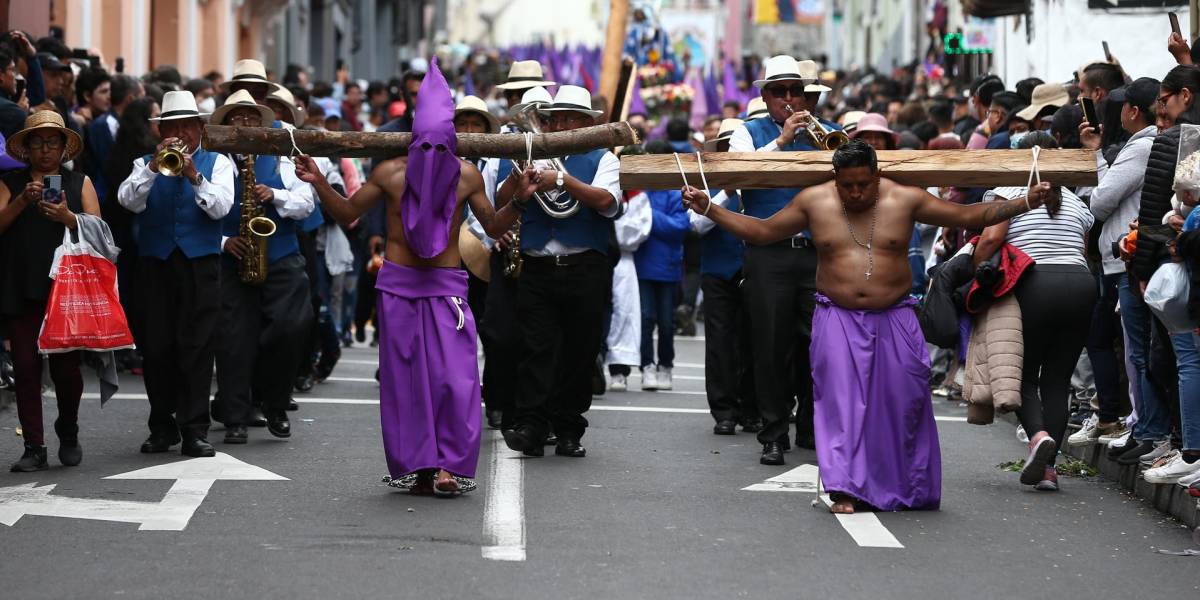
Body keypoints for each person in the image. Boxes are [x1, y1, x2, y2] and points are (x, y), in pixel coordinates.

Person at [681, 139, 1059, 513]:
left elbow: (970, 217)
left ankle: (909, 488)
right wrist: (710, 208)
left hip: (895, 316)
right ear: (835, 178)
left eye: (864, 183)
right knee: (840, 404)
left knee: (907, 400)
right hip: (836, 317)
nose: (856, 192)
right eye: (847, 185)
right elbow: (762, 232)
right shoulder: (814, 201)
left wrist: (1026, 201)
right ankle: (844, 489)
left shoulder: (905, 198)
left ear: (877, 175)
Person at [293, 61, 523, 495]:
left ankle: (449, 466)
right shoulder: (391, 173)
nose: (435, 152)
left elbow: (494, 228)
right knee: (406, 380)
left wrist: (521, 201)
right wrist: (317, 182)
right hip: (399, 288)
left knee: (456, 379)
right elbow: (348, 214)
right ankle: (420, 464)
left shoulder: (467, 176)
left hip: (447, 291)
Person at [494, 85, 622, 459]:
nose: (561, 124)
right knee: (536, 349)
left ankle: (569, 428)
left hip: (586, 266)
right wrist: (520, 183)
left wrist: (562, 181)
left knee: (580, 351)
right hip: (538, 265)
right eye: (555, 118)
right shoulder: (529, 153)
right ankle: (532, 426)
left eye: (570, 118)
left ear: (586, 124)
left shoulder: (604, 158)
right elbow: (502, 201)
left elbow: (608, 203)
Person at [728, 55, 837, 464]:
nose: (790, 99)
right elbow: (738, 176)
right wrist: (782, 142)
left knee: (821, 346)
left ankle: (811, 425)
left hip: (818, 254)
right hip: (768, 255)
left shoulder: (829, 133)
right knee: (770, 347)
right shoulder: (746, 132)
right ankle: (773, 433)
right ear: (765, 95)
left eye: (797, 92)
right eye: (780, 92)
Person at [975, 132, 1097, 491]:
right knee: (1057, 379)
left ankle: (1038, 437)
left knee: (1023, 375)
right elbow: (1083, 248)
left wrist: (977, 275)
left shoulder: (1010, 193)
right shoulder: (1076, 202)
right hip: (1081, 283)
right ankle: (1048, 468)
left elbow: (991, 239)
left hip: (1035, 282)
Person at [117, 90, 236, 458]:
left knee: (198, 347)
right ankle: (161, 426)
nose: (181, 133)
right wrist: (154, 168)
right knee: (156, 347)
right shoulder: (143, 163)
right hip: (155, 263)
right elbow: (128, 201)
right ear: (161, 131)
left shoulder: (217, 163)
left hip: (200, 263)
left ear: (201, 129)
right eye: (173, 126)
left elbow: (220, 208)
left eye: (188, 126)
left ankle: (195, 429)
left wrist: (193, 174)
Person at [210, 90, 314, 444]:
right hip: (233, 255)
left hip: (281, 253)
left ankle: (275, 402)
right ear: (225, 125)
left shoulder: (283, 154)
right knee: (233, 339)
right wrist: (224, 242)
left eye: (252, 118)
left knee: (290, 328)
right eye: (237, 118)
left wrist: (276, 195)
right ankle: (235, 416)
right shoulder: (215, 158)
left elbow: (305, 204)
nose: (245, 124)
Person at [0, 111, 99, 470]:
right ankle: (34, 446)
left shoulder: (80, 182)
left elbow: (100, 232)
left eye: (52, 142)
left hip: (66, 288)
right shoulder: (11, 182)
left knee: (67, 371)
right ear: (26, 149)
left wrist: (68, 218)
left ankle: (68, 429)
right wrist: (23, 201)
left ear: (63, 147)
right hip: (21, 285)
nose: (45, 149)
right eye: (37, 142)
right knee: (25, 367)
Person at [1070, 78, 1158, 449]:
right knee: (1133, 348)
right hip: (1120, 258)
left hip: (1126, 261)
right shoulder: (1146, 143)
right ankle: (1140, 424)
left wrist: (1096, 157)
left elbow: (1102, 201)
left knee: (1138, 350)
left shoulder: (1141, 147)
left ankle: (1145, 427)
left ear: (1132, 111)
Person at [691, 118, 758, 434]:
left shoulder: (761, 178)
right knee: (720, 343)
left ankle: (752, 407)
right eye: (728, 146)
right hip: (718, 272)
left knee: (757, 340)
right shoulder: (706, 181)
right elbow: (697, 226)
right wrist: (727, 193)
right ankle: (725, 412)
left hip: (755, 269)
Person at [635, 141, 689, 391]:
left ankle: (665, 365)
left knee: (666, 322)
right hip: (643, 263)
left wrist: (649, 217)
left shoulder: (674, 190)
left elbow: (681, 227)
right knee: (646, 319)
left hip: (667, 265)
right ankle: (647, 366)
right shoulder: (640, 189)